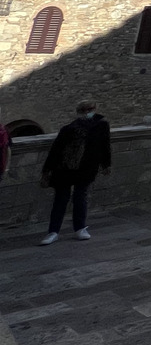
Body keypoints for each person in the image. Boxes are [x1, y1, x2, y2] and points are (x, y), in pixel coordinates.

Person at [38, 100, 114, 245]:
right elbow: (56, 150)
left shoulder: (102, 125)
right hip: (64, 168)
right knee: (61, 199)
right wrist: (46, 171)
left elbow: (105, 145)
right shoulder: (68, 129)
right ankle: (53, 231)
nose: (88, 112)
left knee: (80, 196)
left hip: (86, 167)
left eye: (90, 109)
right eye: (85, 109)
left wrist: (106, 164)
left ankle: (79, 228)